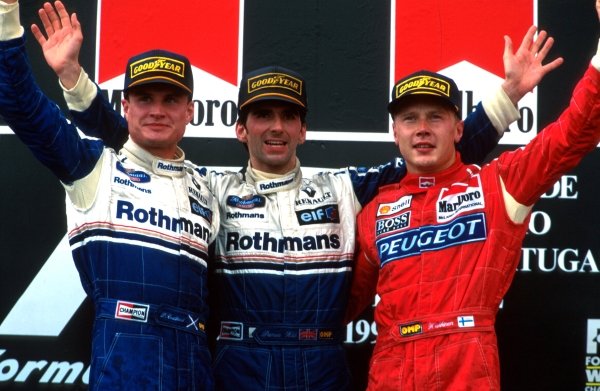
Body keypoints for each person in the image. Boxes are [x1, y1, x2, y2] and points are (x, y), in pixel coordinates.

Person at [27, 2, 559, 389]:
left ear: (304, 129)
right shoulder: (204, 187)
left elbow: (434, 153)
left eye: (287, 116)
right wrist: (75, 82)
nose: (275, 126)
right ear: (241, 129)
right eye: (262, 115)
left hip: (322, 363)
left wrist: (506, 95)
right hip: (238, 362)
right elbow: (139, 139)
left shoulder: (343, 187)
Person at [345, 4, 600, 390]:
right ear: (395, 133)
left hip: (465, 367)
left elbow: (574, 134)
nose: (423, 129)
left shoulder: (498, 185)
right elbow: (334, 309)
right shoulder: (375, 211)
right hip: (390, 369)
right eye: (410, 119)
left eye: (436, 117)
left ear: (459, 129)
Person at [0, 1, 219, 390]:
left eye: (170, 100)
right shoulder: (92, 168)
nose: (157, 111)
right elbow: (20, 104)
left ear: (190, 111)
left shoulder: (207, 187)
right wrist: (5, 14)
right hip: (124, 367)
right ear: (126, 106)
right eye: (144, 99)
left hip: (196, 366)